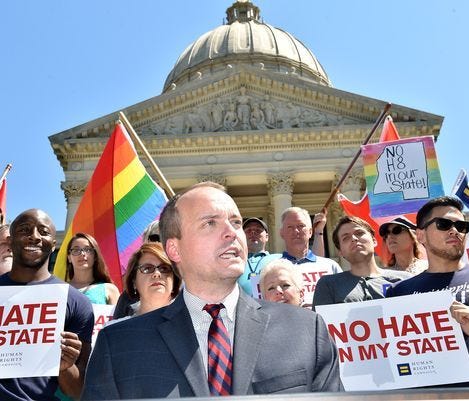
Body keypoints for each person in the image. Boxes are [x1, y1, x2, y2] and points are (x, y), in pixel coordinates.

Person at [81, 182, 343, 399]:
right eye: (210, 223)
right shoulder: (119, 345)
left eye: (236, 222)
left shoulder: (307, 331)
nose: (232, 233)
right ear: (174, 249)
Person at [0, 209, 94, 400]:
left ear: (53, 245)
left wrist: (65, 366)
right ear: (10, 241)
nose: (34, 236)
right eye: (24, 230)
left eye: (43, 232)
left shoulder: (77, 303)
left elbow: (78, 391)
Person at [313, 216, 411, 308]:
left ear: (374, 240)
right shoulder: (328, 285)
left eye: (359, 233)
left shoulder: (405, 280)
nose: (354, 239)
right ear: (340, 252)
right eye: (345, 238)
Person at [386, 196, 469, 304]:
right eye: (443, 224)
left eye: (461, 226)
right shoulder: (399, 293)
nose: (454, 231)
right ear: (420, 235)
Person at [280, 207, 342, 307]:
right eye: (290, 227)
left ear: (310, 232)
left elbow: (344, 300)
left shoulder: (330, 266)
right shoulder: (273, 269)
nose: (296, 231)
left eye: (301, 226)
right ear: (281, 233)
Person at [111, 242, 181, 322]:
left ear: (174, 280)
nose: (157, 274)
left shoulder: (194, 326)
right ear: (134, 281)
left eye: (164, 268)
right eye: (147, 268)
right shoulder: (115, 330)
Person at [113, 220, 160, 319]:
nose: (162, 244)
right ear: (145, 242)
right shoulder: (130, 295)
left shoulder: (190, 288)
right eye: (156, 238)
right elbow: (116, 331)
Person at [66, 232, 119, 305]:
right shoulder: (60, 288)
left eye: (88, 250)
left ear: (95, 256)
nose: (82, 254)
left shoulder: (110, 289)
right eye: (76, 250)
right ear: (69, 258)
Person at [237, 217, 280, 297]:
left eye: (258, 230)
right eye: (248, 231)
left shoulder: (278, 259)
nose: (253, 233)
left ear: (267, 237)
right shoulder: (234, 261)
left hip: (271, 307)